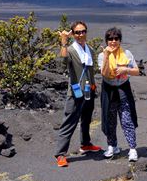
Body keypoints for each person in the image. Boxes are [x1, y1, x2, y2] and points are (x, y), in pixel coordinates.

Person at [54, 21, 102, 167]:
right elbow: (61, 63)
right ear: (73, 34)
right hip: (75, 92)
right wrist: (63, 41)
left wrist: (93, 85)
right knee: (69, 121)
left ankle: (86, 144)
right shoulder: (70, 50)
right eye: (77, 32)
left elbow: (91, 70)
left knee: (86, 119)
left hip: (89, 91)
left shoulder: (90, 50)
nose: (81, 34)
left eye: (83, 31)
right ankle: (60, 154)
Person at [98, 27, 140, 162]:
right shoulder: (102, 55)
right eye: (110, 39)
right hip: (108, 90)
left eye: (116, 39)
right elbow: (104, 73)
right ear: (107, 41)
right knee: (110, 120)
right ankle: (112, 146)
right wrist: (106, 56)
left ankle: (132, 148)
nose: (113, 41)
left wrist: (124, 69)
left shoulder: (127, 54)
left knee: (127, 119)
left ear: (120, 40)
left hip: (123, 89)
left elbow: (136, 71)